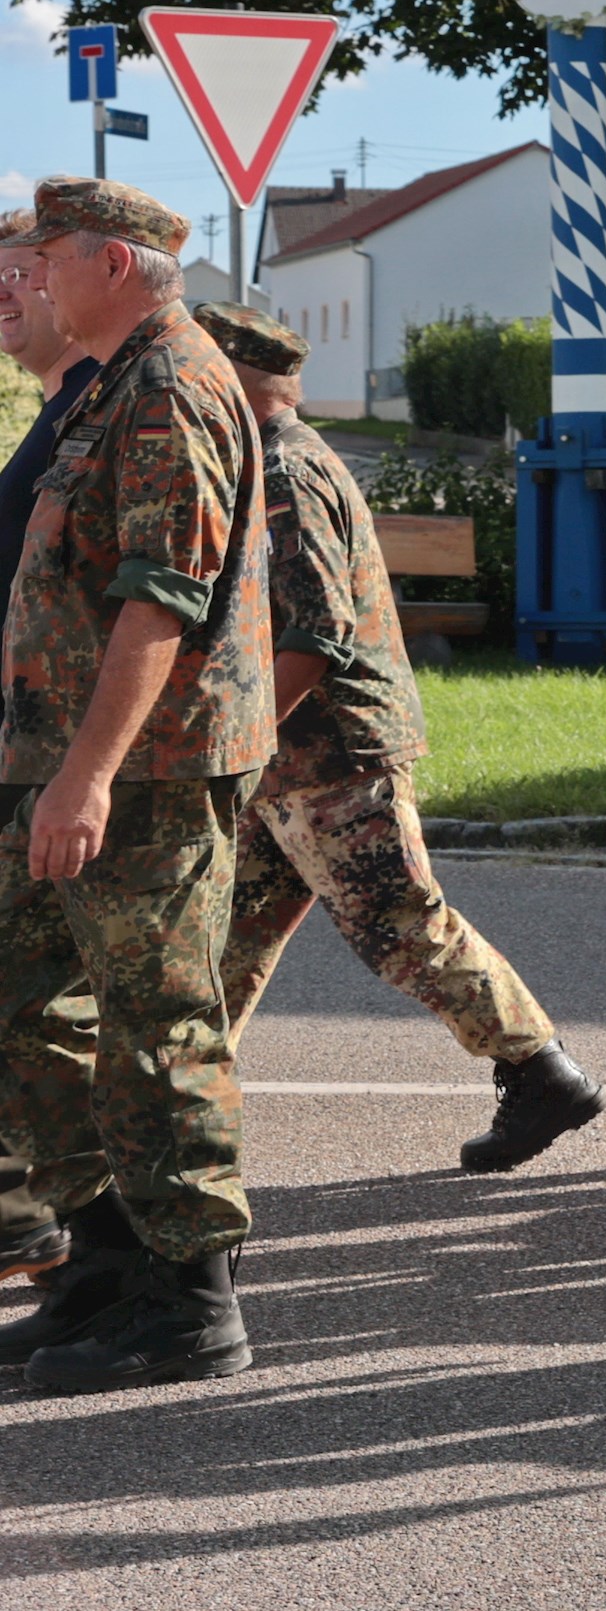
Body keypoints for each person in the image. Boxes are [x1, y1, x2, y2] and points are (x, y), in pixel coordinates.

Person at [194, 306, 604, 1171]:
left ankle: (541, 1069)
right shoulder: (260, 463)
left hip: (330, 758)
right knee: (212, 944)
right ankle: (165, 1110)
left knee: (402, 927)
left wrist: (241, 735)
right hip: (282, 767)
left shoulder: (287, 473)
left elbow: (314, 632)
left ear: (238, 376)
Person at [0, 180, 272, 1392]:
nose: (30, 274)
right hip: (56, 758)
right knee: (28, 1003)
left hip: (142, 772)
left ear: (112, 260)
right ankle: (106, 1259)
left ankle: (191, 1299)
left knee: (157, 1025)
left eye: (45, 252)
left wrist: (87, 775)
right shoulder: (108, 380)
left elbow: (162, 598)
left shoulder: (170, 383)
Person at [0, 212, 104, 1287]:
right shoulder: (57, 413)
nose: (4, 295)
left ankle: (99, 1254)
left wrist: (84, 771)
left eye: (22, 274)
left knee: (46, 1002)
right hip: (29, 744)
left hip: (62, 752)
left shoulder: (105, 410)